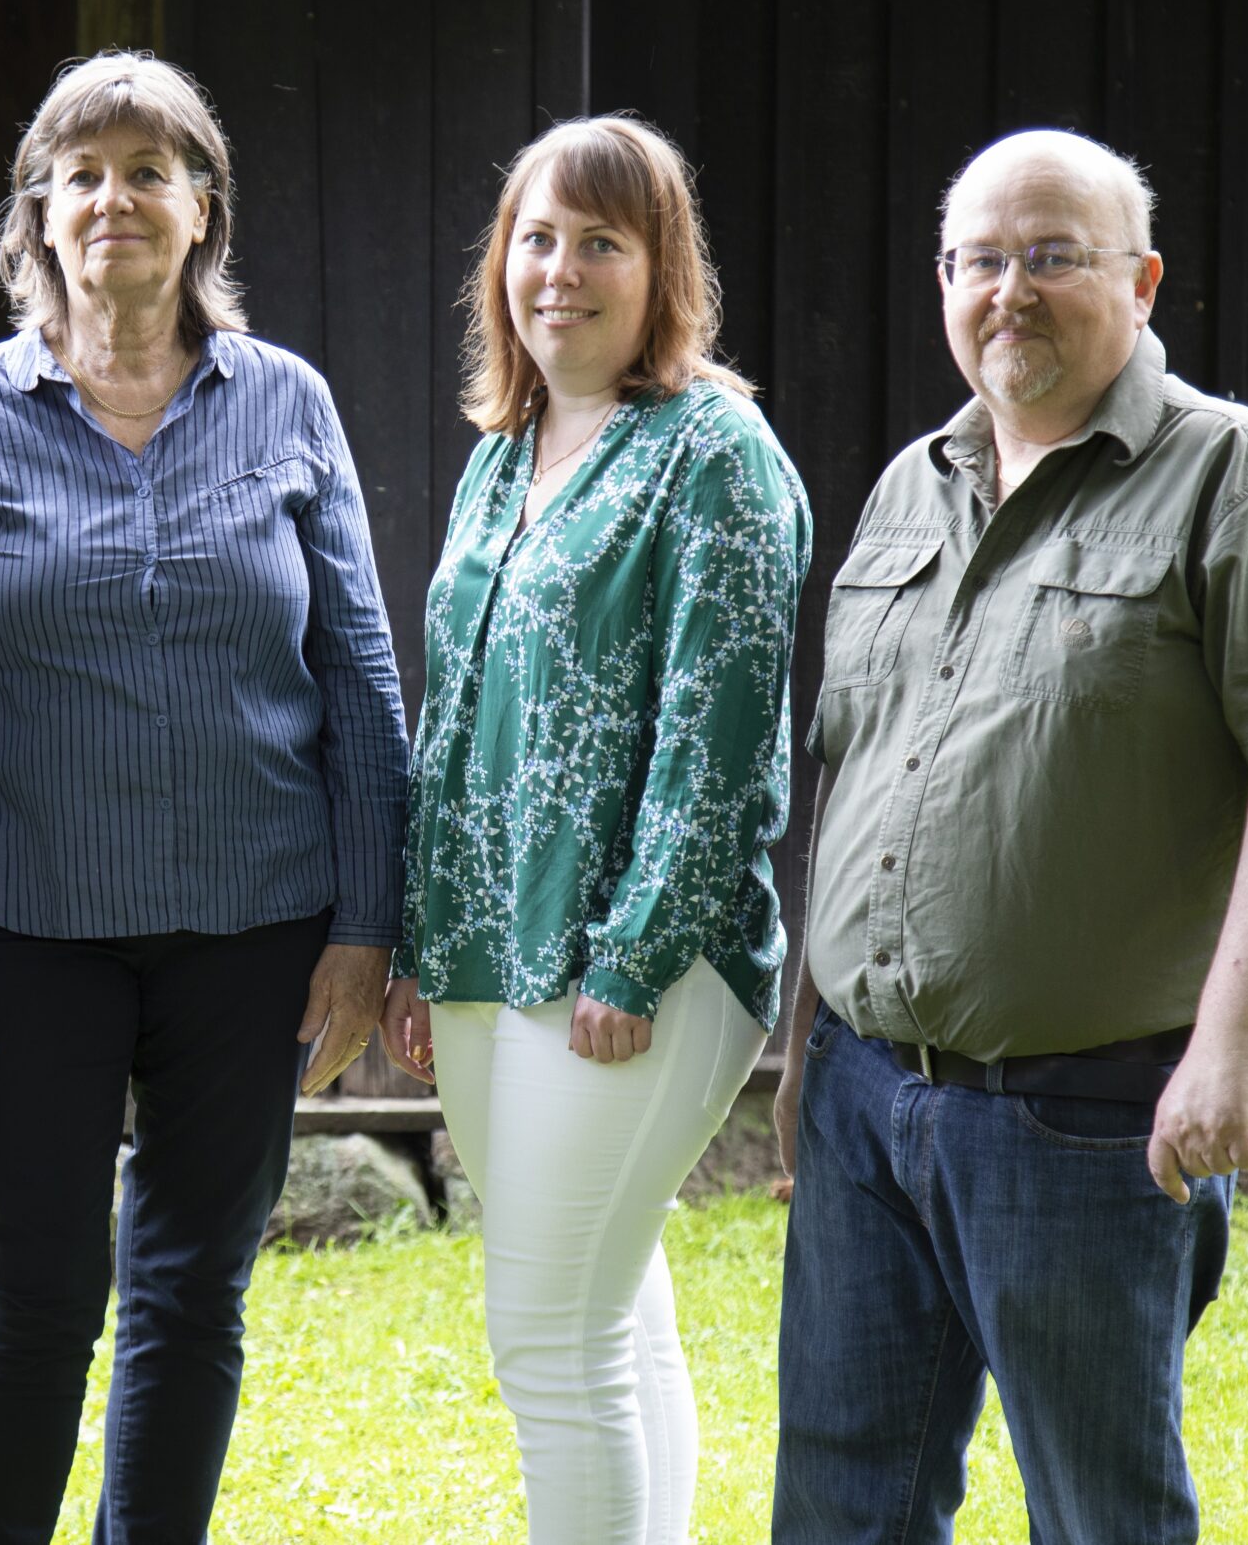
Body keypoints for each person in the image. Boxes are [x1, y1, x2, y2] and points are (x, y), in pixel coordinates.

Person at [769, 128, 1248, 1543]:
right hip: (869, 1101)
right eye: (981, 259)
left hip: (1084, 1122)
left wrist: (1234, 1051)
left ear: (1143, 280)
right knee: (838, 1501)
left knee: (1100, 1513)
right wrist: (813, 1057)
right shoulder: (908, 488)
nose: (1013, 289)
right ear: (943, 281)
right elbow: (861, 777)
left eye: (1054, 256)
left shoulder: (1243, 484)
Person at [0, 51, 409, 1545]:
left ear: (202, 207)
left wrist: (368, 925)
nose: (114, 199)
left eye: (147, 170)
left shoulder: (286, 401)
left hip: (257, 930)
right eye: (81, 173)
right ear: (36, 212)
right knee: (33, 1294)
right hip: (27, 927)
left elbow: (360, 668)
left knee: (190, 1295)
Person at [379, 115, 811, 1545]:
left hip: (635, 967)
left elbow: (722, 737)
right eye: (538, 239)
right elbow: (455, 727)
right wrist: (422, 945)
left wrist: (629, 959)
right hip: (491, 958)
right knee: (609, 1314)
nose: (561, 271)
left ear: (660, 267)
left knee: (548, 1343)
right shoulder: (505, 456)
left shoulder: (717, 454)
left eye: (602, 242)